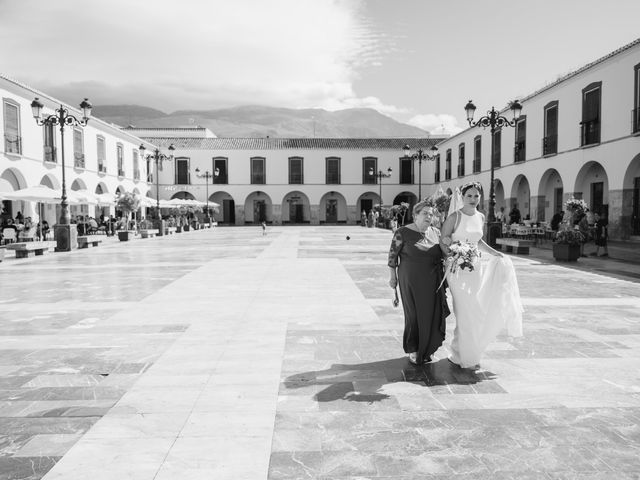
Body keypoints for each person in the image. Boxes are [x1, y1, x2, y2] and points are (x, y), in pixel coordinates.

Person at [440, 182, 523, 369]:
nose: (472, 199)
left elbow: (478, 241)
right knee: (465, 310)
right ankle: (465, 354)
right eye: (469, 195)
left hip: (475, 268)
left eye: (476, 196)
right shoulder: (455, 217)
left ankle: (459, 351)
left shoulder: (481, 216)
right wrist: (454, 255)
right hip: (456, 270)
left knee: (473, 310)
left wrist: (494, 252)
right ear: (462, 196)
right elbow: (443, 241)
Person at [388, 199, 449, 365]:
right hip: (411, 281)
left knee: (430, 314)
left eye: (431, 214)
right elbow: (392, 256)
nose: (429, 216)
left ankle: (427, 349)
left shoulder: (436, 232)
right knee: (414, 315)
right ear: (415, 215)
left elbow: (444, 253)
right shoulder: (402, 232)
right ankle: (414, 348)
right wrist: (392, 277)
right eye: (425, 213)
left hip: (432, 281)